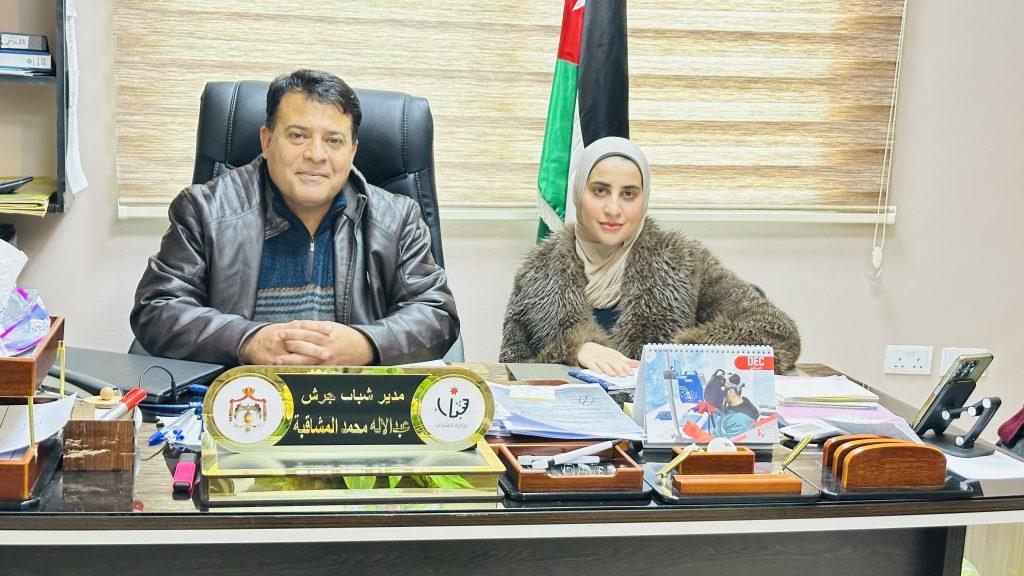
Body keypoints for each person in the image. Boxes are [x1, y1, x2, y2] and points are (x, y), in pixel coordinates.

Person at [131, 69, 458, 367]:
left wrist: (366, 344)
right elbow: (157, 308)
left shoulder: (397, 219)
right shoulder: (205, 210)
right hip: (241, 400)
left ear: (352, 152)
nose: (316, 155)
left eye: (333, 141)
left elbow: (436, 314)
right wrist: (247, 340)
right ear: (267, 141)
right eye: (298, 136)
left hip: (354, 402)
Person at [499, 137, 800, 375]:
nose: (614, 209)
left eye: (628, 194)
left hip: (667, 432)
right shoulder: (538, 273)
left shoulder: (683, 261)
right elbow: (511, 372)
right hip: (571, 430)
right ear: (579, 193)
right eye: (600, 191)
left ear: (644, 200)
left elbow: (779, 334)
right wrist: (573, 350)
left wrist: (677, 359)